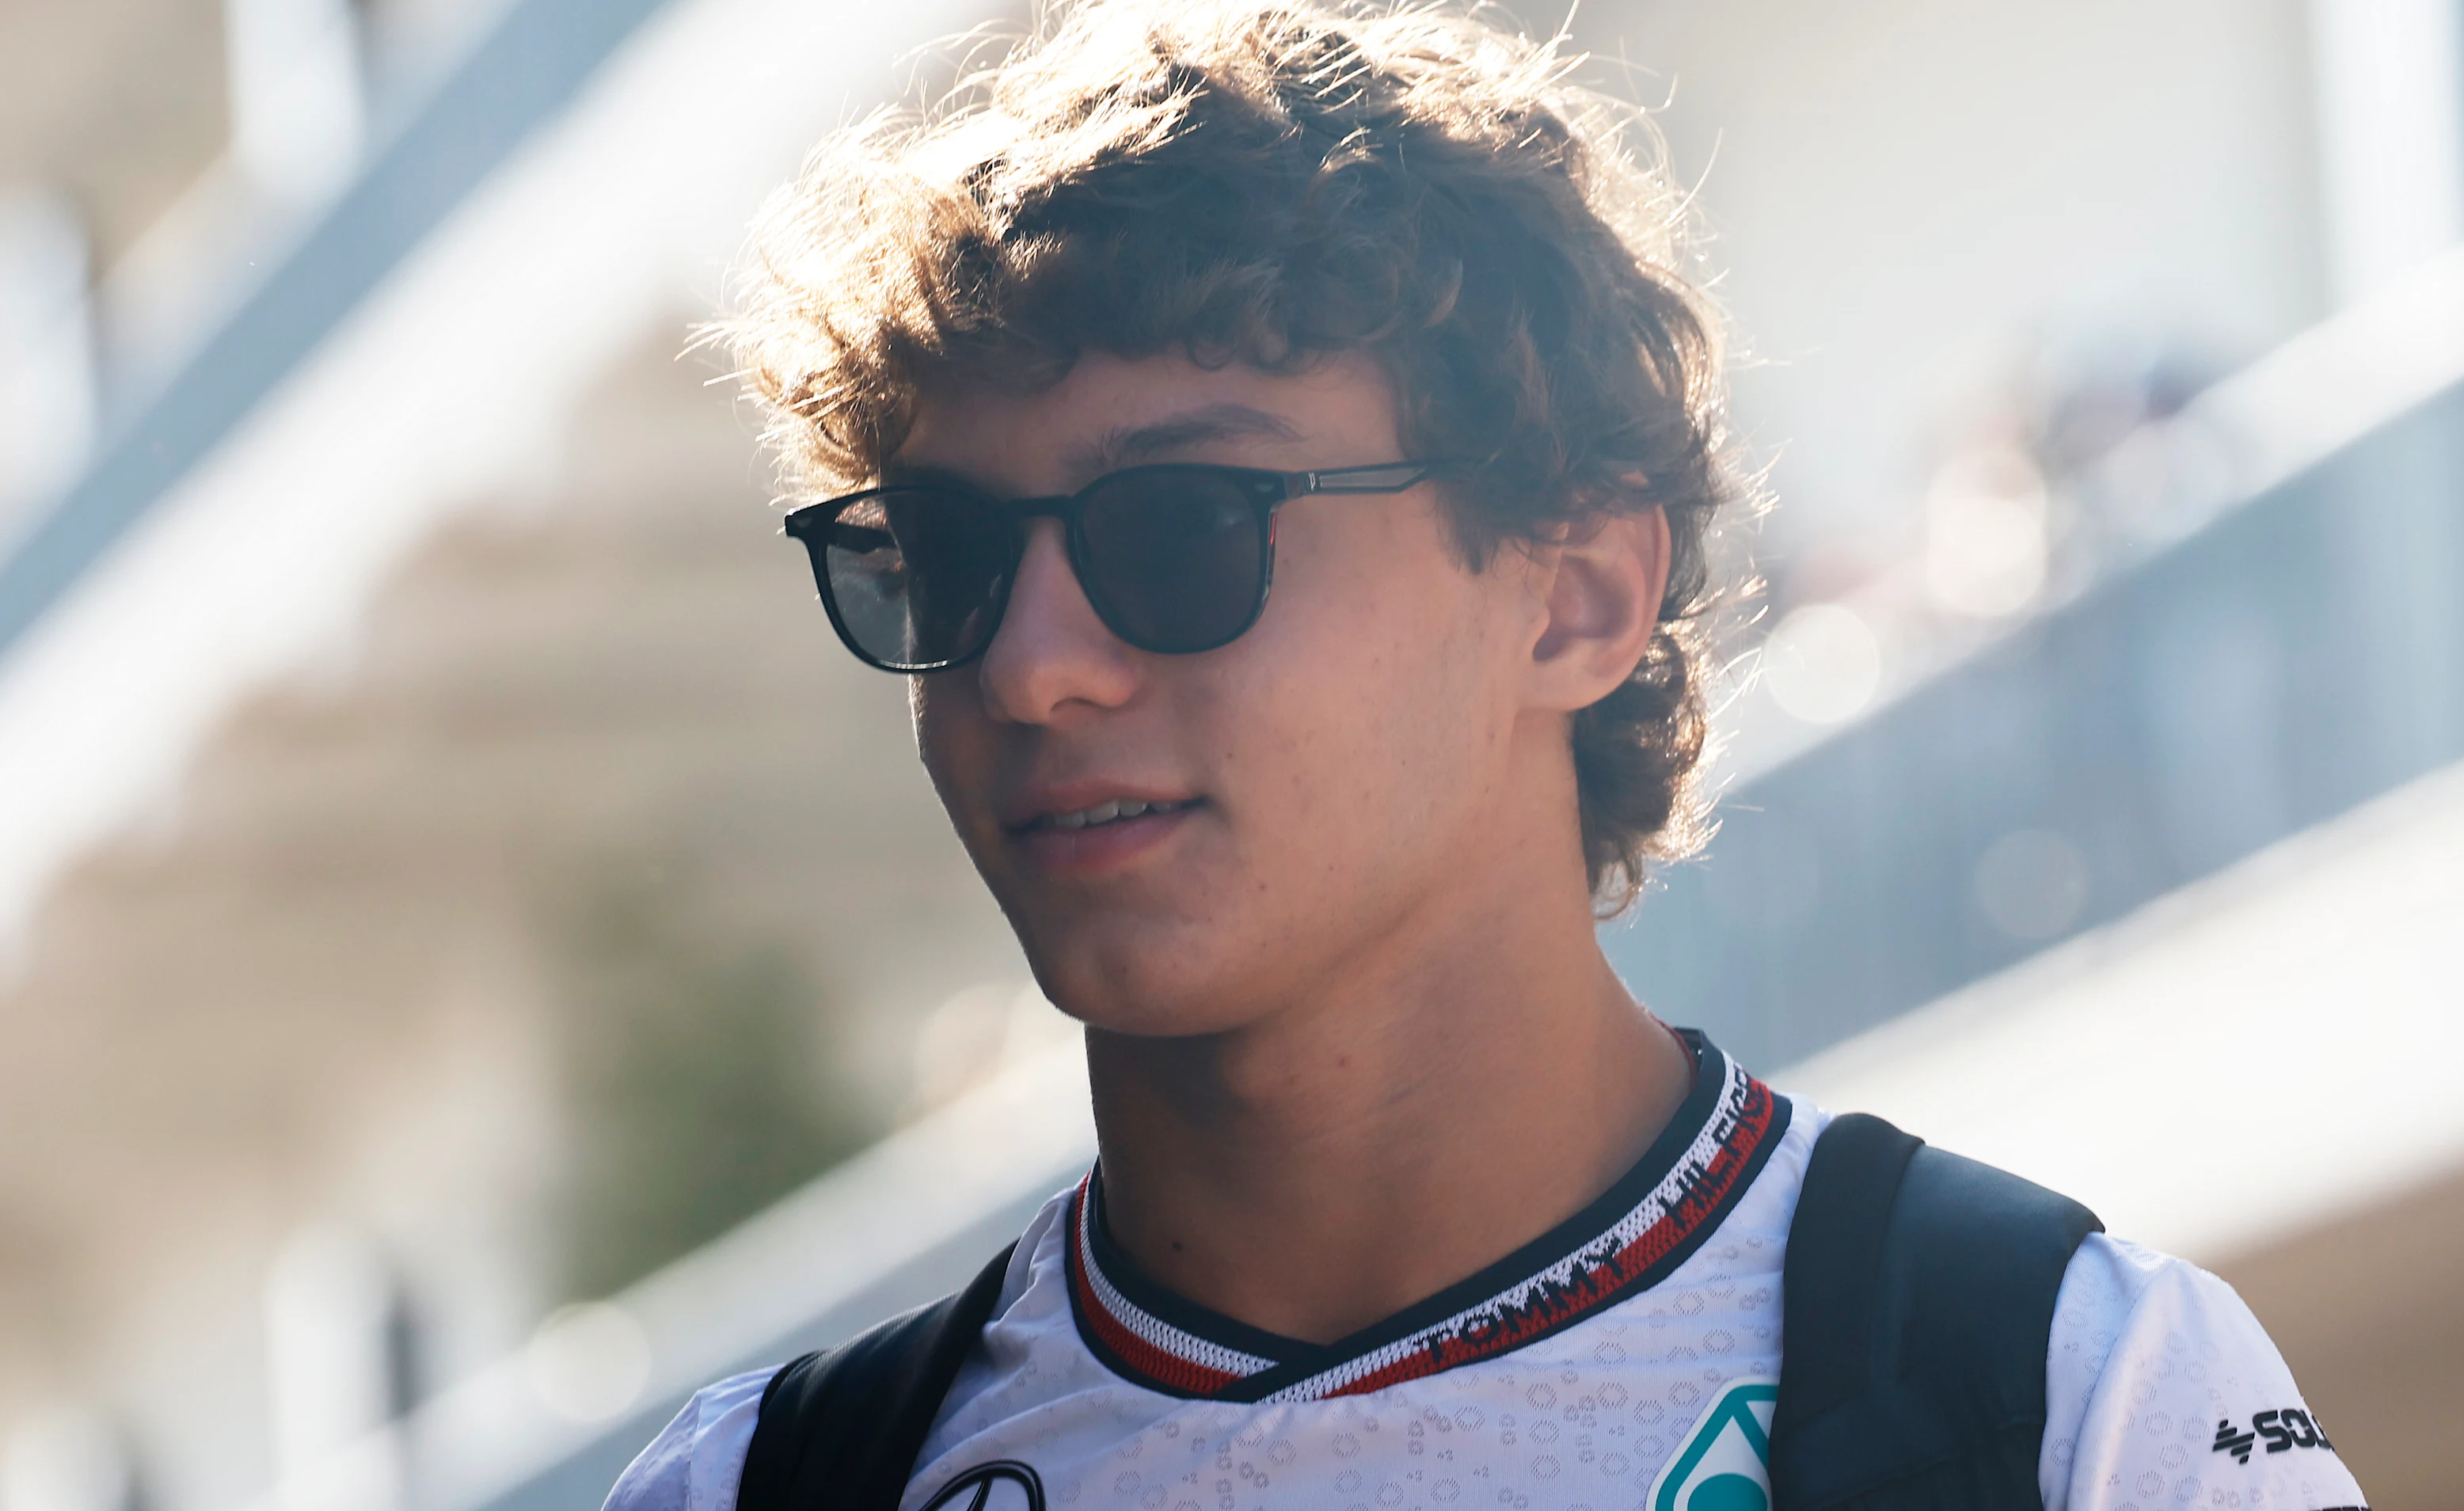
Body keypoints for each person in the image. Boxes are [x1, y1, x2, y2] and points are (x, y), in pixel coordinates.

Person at [603, 2, 2367, 1508]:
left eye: (1183, 529)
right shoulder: (756, 1488)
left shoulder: (2069, 1400)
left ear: (1578, 594)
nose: (1034, 666)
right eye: (948, 554)